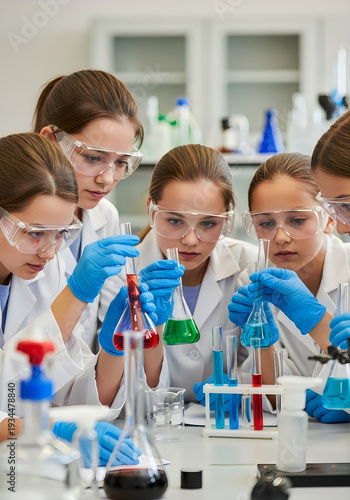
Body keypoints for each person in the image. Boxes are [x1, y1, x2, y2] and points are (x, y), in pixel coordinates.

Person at [0, 133, 155, 465]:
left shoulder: (45, 270)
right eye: (34, 233)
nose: (50, 252)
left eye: (61, 234)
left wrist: (113, 349)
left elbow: (66, 393)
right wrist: (47, 427)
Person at [33, 69, 182, 389]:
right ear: (50, 140)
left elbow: (109, 353)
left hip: (80, 402)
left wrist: (136, 320)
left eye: (120, 162)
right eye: (92, 158)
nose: (107, 178)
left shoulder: (105, 216)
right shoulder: (14, 224)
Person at [228, 152, 350, 422]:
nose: (281, 237)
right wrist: (264, 343)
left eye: (297, 220)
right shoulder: (256, 284)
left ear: (330, 218)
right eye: (266, 223)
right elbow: (271, 397)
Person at [136, 144, 258, 405]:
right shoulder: (125, 272)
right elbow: (115, 386)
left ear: (227, 220)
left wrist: (242, 391)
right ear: (151, 210)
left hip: (222, 427)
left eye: (208, 223)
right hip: (154, 425)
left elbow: (261, 371)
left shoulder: (250, 265)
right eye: (175, 221)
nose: (190, 240)